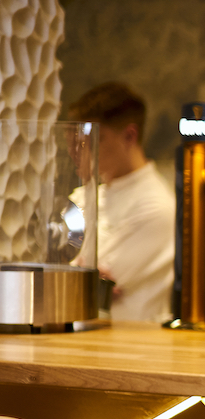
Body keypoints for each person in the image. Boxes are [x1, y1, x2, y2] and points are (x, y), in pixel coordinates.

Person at [68, 82, 174, 322]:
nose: (82, 149)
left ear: (129, 136)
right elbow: (55, 266)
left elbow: (89, 288)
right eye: (80, 139)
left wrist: (77, 272)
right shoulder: (84, 196)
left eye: (97, 138)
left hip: (129, 349)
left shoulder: (157, 206)